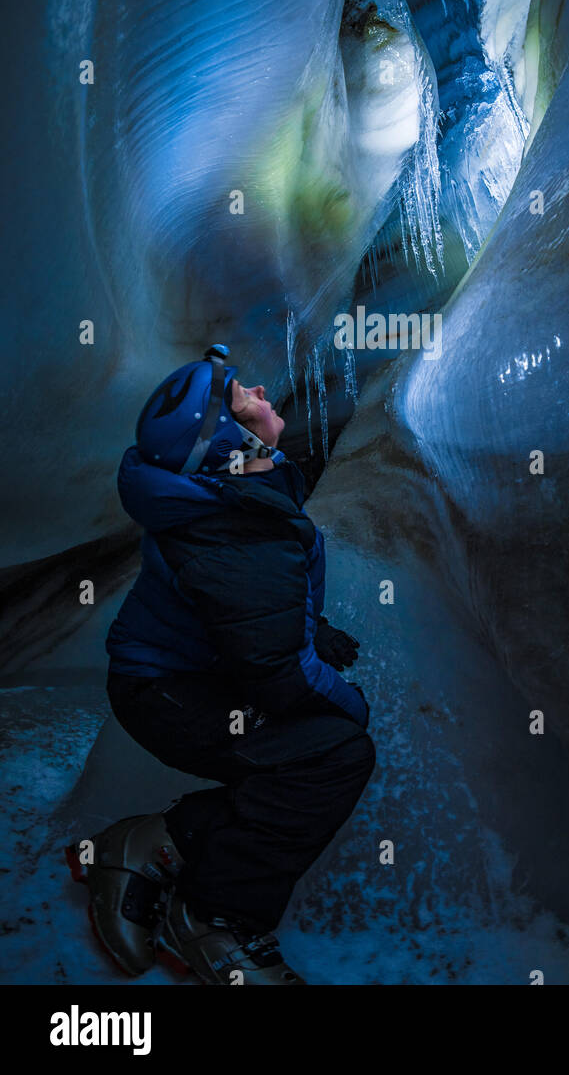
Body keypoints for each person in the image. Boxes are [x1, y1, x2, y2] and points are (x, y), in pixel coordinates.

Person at [67, 344, 374, 986]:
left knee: (298, 753)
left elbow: (250, 610)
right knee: (334, 754)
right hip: (167, 695)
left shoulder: (228, 494)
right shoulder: (235, 533)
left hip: (182, 674)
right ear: (227, 445)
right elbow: (275, 670)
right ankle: (215, 914)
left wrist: (306, 623)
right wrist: (351, 703)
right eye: (243, 399)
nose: (262, 392)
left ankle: (155, 844)